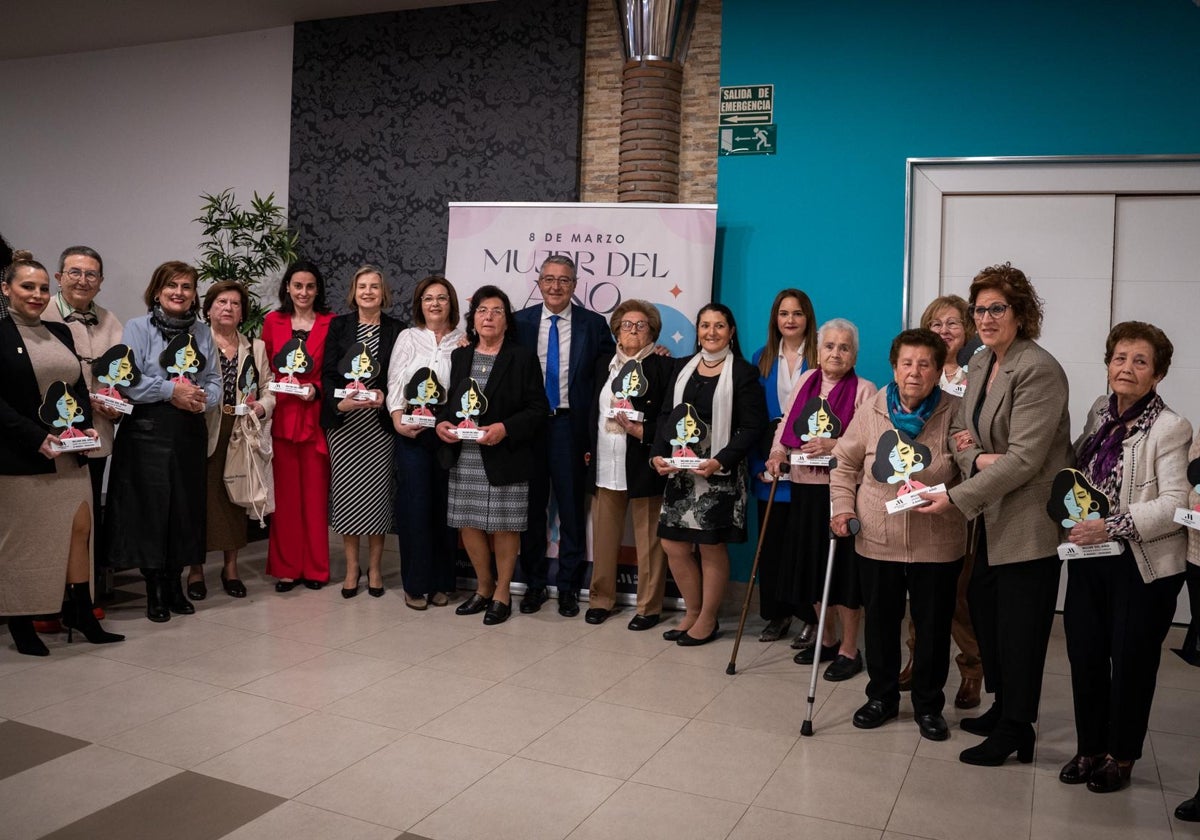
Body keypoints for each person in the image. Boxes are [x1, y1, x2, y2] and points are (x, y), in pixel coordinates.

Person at [918, 262, 1072, 767]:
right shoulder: (982, 362)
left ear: (1020, 312)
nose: (984, 318)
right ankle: (1004, 707)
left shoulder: (1039, 368)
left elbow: (1026, 459)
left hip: (1026, 524)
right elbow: (961, 429)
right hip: (988, 519)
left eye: (996, 308)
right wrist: (977, 457)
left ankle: (1016, 729)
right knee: (990, 619)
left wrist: (960, 495)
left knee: (1021, 632)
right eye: (979, 309)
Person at [1057, 322, 1191, 793]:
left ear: (1157, 374)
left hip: (1143, 563)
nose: (1126, 368)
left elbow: (1175, 502)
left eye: (1140, 361)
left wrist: (1110, 524)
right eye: (1119, 358)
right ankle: (1090, 746)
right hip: (1090, 555)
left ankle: (1122, 754)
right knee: (1085, 654)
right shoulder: (1099, 411)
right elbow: (1078, 467)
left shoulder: (1171, 427)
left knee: (1131, 661)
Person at [829, 328, 967, 740]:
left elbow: (970, 470)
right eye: (907, 363)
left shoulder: (956, 411)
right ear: (894, 366)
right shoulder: (871, 409)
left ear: (939, 369)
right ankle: (882, 697)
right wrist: (842, 508)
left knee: (933, 627)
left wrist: (951, 496)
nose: (914, 372)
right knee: (882, 625)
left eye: (925, 364)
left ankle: (928, 705)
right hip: (876, 537)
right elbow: (845, 463)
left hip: (937, 540)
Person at [1, 252, 123, 654]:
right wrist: (34, 436)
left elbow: (74, 388)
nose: (36, 295)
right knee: (28, 541)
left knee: (79, 531)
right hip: (24, 458)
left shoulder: (60, 332)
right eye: (27, 287)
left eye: (41, 288)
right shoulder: (1, 334)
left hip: (71, 454)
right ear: (6, 289)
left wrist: (85, 425)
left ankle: (82, 613)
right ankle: (22, 622)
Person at [104, 261, 221, 622]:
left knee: (184, 509)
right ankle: (154, 589)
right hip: (146, 430)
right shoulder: (138, 328)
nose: (179, 293)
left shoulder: (203, 332)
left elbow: (215, 379)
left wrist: (201, 397)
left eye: (187, 287)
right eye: (172, 286)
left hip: (189, 430)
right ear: (157, 291)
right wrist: (172, 390)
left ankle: (174, 582)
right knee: (150, 511)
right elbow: (127, 379)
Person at [651, 303, 768, 646]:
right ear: (697, 330)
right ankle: (692, 610)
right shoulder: (681, 368)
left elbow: (752, 427)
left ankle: (708, 618)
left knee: (710, 546)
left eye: (719, 326)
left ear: (731, 331)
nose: (711, 332)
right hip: (681, 470)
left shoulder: (743, 374)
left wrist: (719, 460)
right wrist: (658, 454)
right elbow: (665, 416)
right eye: (705, 325)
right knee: (673, 542)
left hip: (720, 472)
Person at [767, 318, 876, 680]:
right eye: (830, 346)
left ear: (854, 354)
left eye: (844, 347)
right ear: (819, 349)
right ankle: (826, 639)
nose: (836, 353)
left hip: (842, 492)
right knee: (811, 565)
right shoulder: (805, 381)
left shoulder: (865, 389)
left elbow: (868, 443)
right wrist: (776, 454)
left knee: (844, 574)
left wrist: (834, 444)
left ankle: (849, 648)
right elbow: (786, 426)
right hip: (803, 487)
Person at [436, 286, 549, 625]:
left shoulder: (522, 357)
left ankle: (502, 591)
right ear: (473, 320)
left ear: (506, 321)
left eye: (497, 311)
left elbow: (538, 408)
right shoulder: (460, 357)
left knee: (504, 525)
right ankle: (482, 588)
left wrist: (504, 428)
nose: (489, 317)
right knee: (468, 522)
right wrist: (442, 424)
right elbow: (449, 403)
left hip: (505, 453)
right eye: (483, 310)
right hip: (465, 453)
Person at [896, 294, 983, 710]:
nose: (944, 331)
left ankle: (972, 668)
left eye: (953, 324)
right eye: (936, 323)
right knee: (919, 588)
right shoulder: (916, 372)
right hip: (915, 497)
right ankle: (917, 659)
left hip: (962, 498)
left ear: (965, 331)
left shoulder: (979, 374)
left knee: (956, 595)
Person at [515, 255, 614, 617]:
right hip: (529, 428)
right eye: (549, 279)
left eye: (564, 280)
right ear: (538, 283)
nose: (556, 286)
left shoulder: (594, 324)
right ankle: (535, 585)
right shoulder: (519, 322)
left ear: (575, 286)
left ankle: (570, 587)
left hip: (571, 428)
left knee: (572, 511)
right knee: (531, 510)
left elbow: (616, 367)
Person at [42, 246, 124, 595]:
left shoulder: (110, 321)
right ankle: (45, 598)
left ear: (101, 282)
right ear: (59, 277)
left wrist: (117, 403)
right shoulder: (38, 314)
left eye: (91, 274)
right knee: (49, 521)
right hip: (49, 438)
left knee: (86, 518)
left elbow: (122, 378)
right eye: (74, 272)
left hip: (96, 437)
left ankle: (84, 595)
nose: (83, 280)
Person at [585, 300, 672, 629]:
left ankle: (648, 608)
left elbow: (668, 420)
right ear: (616, 331)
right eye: (626, 325)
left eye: (641, 326)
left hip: (643, 463)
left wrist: (643, 432)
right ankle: (601, 599)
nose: (633, 330)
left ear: (653, 332)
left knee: (650, 540)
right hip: (606, 463)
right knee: (604, 538)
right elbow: (588, 410)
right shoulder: (602, 366)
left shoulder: (663, 366)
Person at [188, 281, 274, 600]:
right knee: (200, 499)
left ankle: (231, 568)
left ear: (242, 314)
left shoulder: (257, 347)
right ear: (208, 309)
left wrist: (262, 407)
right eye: (221, 302)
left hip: (240, 429)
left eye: (235, 304)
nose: (228, 308)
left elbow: (269, 388)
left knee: (235, 497)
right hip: (203, 428)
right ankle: (196, 571)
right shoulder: (193, 343)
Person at [321, 265, 403, 598]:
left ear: (384, 293)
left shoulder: (397, 330)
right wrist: (339, 404)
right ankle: (353, 567)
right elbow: (327, 373)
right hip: (345, 426)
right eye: (362, 287)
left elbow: (401, 374)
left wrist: (386, 397)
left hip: (378, 427)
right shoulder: (339, 326)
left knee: (377, 498)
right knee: (347, 497)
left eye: (374, 287)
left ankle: (376, 568)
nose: (368, 292)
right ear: (353, 293)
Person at [387, 275, 463, 609]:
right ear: (420, 304)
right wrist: (396, 420)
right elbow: (394, 381)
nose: (435, 303)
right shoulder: (407, 337)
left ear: (451, 303)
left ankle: (442, 581)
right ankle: (415, 585)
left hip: (448, 434)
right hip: (413, 434)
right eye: (428, 298)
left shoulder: (464, 340)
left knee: (445, 509)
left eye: (442, 298)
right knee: (415, 507)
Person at [750, 289, 819, 645]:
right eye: (783, 313)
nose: (789, 320)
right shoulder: (761, 358)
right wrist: (761, 460)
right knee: (772, 545)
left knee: (805, 546)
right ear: (775, 319)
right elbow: (753, 417)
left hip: (810, 460)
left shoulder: (823, 356)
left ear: (808, 318)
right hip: (769, 461)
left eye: (797, 313)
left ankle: (810, 616)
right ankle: (776, 615)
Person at [261, 261, 335, 592]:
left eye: (309, 286)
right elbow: (264, 368)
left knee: (316, 499)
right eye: (297, 286)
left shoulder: (331, 323)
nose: (303, 292)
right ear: (287, 288)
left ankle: (317, 569)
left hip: (315, 417)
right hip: (282, 417)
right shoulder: (272, 321)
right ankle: (288, 568)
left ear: (317, 290)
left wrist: (316, 388)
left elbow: (335, 371)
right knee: (287, 500)